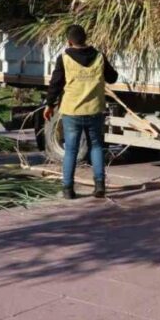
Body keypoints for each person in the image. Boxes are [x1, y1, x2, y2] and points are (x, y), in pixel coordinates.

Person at [44, 24, 118, 199]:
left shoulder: (64, 58)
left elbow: (56, 84)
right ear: (85, 39)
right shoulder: (99, 56)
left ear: (69, 41)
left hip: (72, 111)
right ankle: (100, 186)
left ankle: (68, 189)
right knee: (97, 146)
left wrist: (49, 105)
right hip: (94, 110)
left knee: (71, 150)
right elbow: (113, 78)